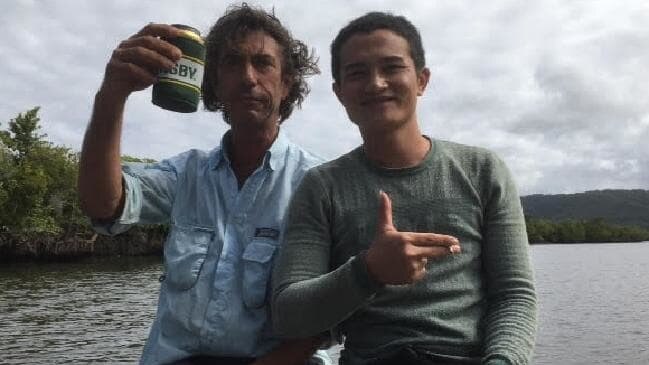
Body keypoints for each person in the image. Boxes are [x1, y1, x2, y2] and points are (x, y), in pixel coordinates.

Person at [272, 11, 537, 365]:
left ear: (422, 80)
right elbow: (289, 314)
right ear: (339, 93)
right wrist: (369, 271)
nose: (376, 83)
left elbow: (514, 296)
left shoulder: (483, 171)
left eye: (392, 67)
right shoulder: (322, 187)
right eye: (357, 73)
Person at [78, 4, 331, 365]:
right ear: (212, 83)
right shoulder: (187, 174)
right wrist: (112, 94)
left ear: (287, 82)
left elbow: (333, 308)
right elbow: (104, 204)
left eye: (263, 63)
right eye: (231, 63)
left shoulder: (318, 183)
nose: (247, 77)